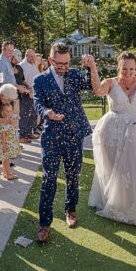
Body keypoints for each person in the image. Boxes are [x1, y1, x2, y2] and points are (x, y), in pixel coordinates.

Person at [32, 44, 95, 243]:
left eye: (67, 63)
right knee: (49, 179)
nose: (64, 67)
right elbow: (37, 102)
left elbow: (93, 87)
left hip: (74, 134)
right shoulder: (40, 80)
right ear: (51, 61)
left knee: (73, 176)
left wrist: (91, 67)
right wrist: (46, 112)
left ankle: (70, 210)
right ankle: (44, 223)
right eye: (59, 64)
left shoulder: (75, 74)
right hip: (51, 135)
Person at [85, 51, 136, 227]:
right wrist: (93, 67)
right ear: (119, 67)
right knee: (114, 170)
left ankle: (135, 209)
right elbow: (97, 91)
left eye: (132, 69)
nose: (129, 72)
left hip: (135, 131)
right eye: (125, 69)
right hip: (112, 132)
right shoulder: (111, 83)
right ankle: (116, 204)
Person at [0, 84, 21, 180]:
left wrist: (14, 115)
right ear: (2, 112)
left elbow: (16, 117)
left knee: (6, 159)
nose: (9, 113)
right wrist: (4, 145)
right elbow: (3, 136)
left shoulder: (10, 118)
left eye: (11, 111)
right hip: (6, 144)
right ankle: (8, 174)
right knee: (6, 160)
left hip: (9, 144)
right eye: (7, 112)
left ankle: (6, 173)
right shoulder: (4, 123)